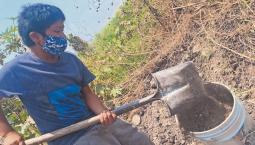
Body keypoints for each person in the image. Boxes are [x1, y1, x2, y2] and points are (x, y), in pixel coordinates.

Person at [0, 3, 154, 145]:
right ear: (36, 37)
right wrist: (7, 133)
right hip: (71, 139)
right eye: (57, 31)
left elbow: (86, 92)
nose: (63, 36)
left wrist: (103, 113)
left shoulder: (70, 60)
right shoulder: (16, 71)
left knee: (140, 140)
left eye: (63, 29)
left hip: (95, 121)